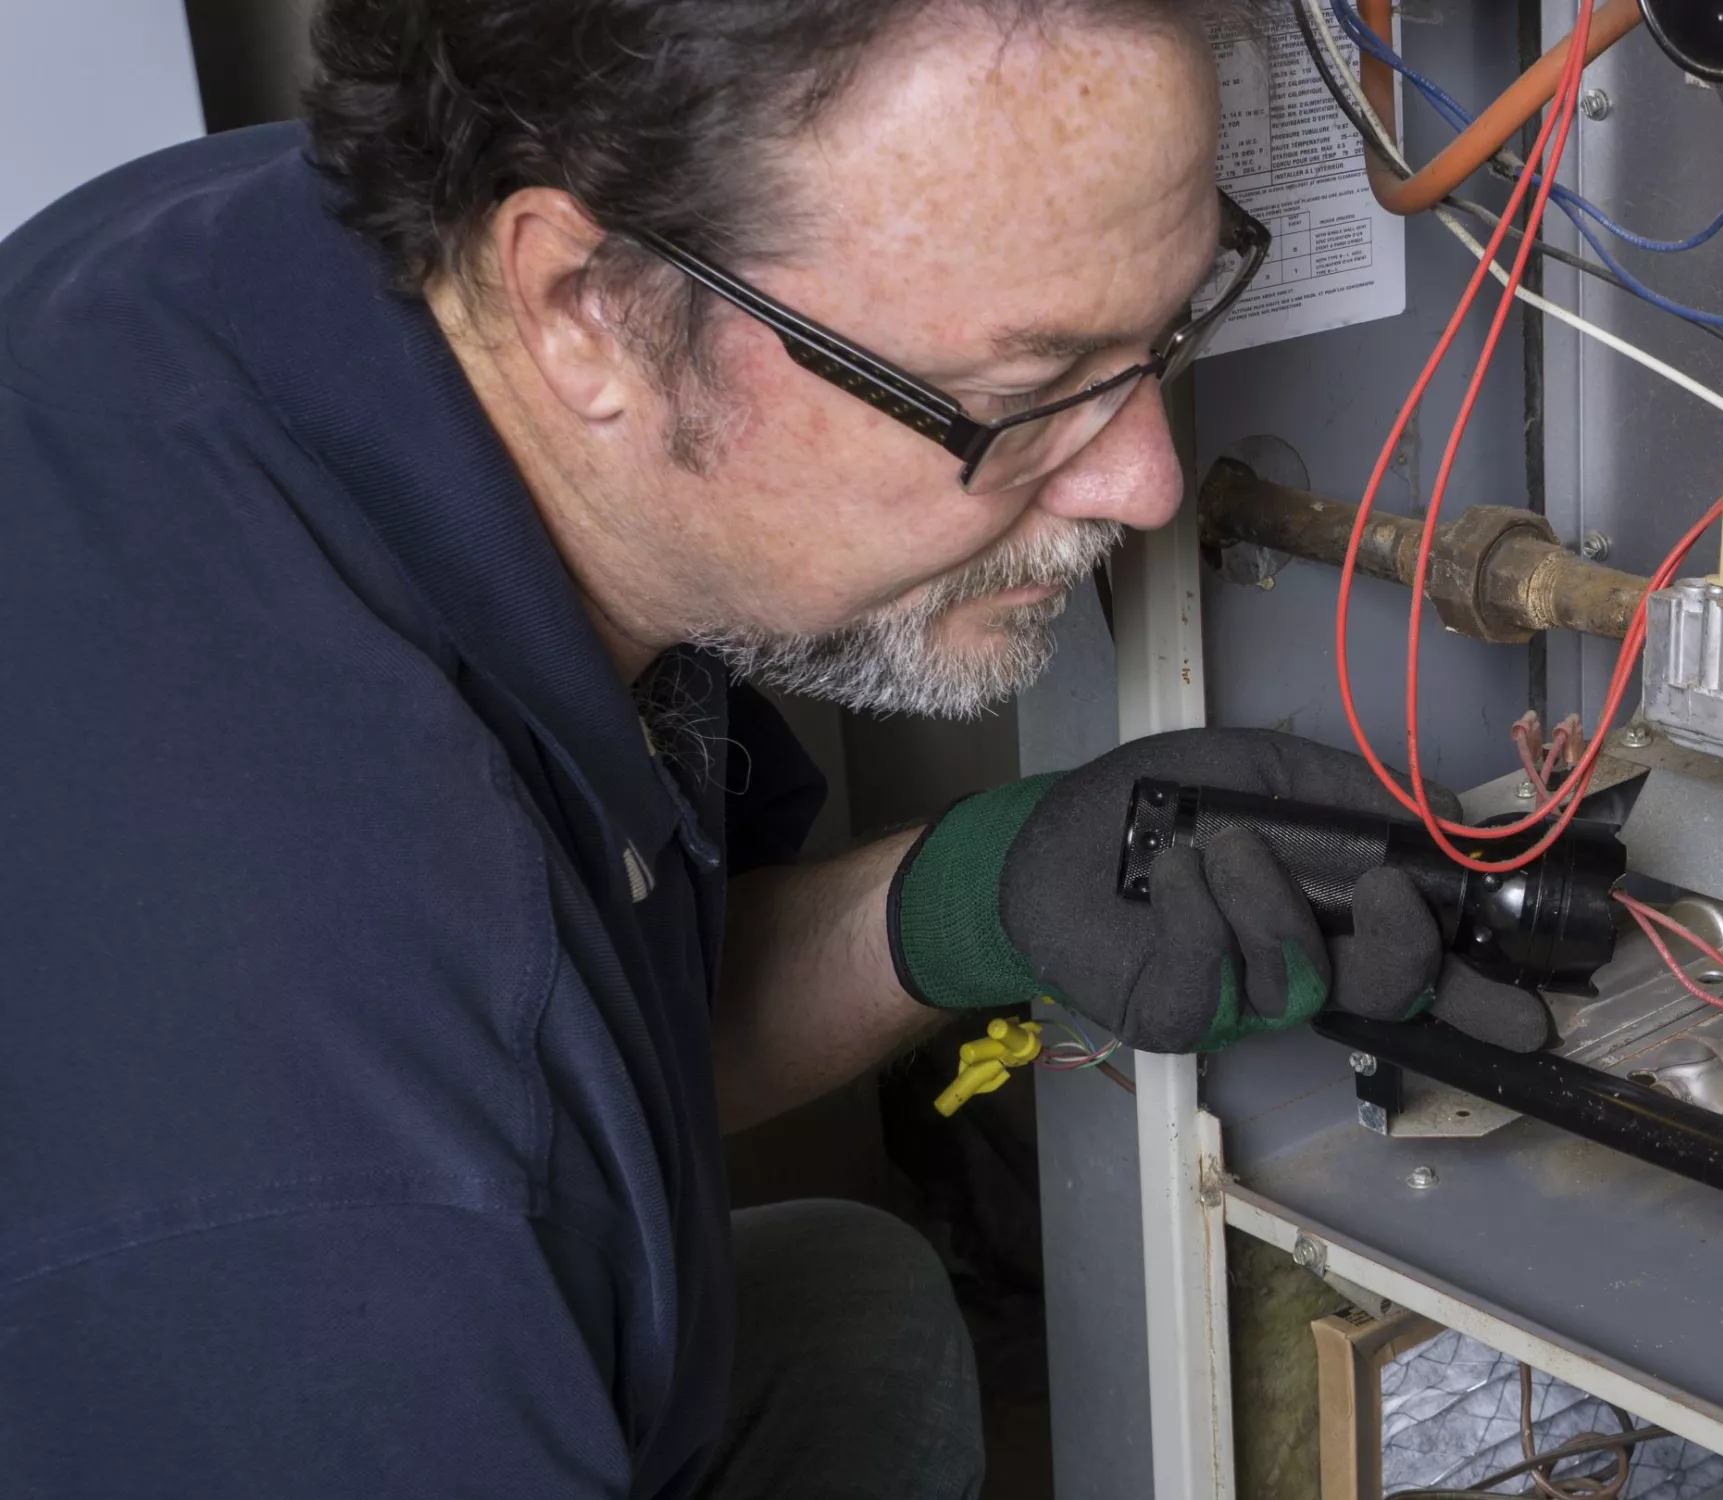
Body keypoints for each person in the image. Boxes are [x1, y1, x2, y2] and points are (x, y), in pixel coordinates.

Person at [0, 1, 1546, 1495]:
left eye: (1170, 328)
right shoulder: (350, 1185)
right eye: (1019, 397)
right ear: (584, 306)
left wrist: (985, 885)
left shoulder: (294, 249)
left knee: (847, 1312)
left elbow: (617, 1019)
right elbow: (475, 1093)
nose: (1146, 481)